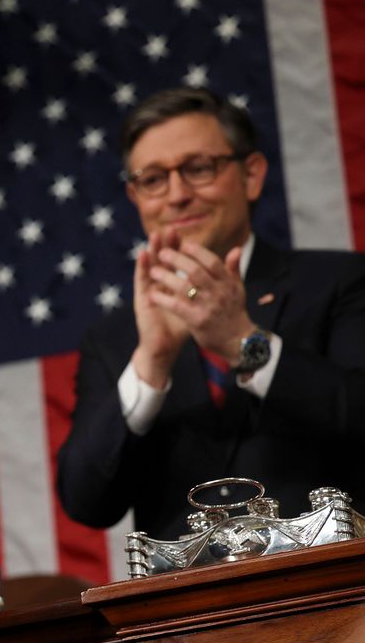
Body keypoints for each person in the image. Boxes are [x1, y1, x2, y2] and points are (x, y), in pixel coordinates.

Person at [57, 87, 365, 542]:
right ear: (135, 196)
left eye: (198, 169)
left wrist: (245, 345)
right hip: (188, 607)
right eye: (153, 179)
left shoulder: (340, 281)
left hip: (337, 589)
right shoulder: (115, 338)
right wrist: (151, 364)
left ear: (252, 175)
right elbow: (86, 501)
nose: (176, 195)